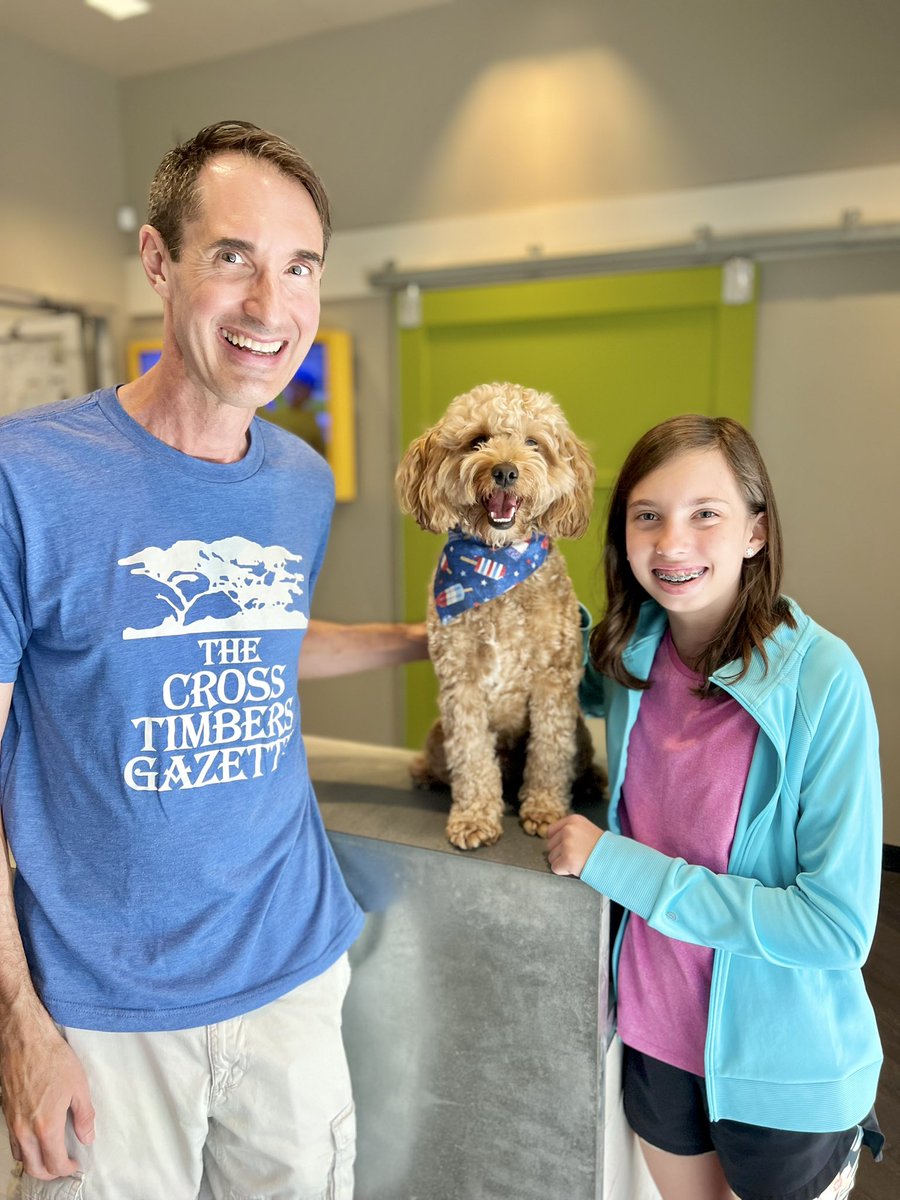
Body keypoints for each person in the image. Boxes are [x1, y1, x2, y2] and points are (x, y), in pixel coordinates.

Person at [0, 120, 426, 1198]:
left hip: (289, 971)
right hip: (102, 1011)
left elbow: (252, 640)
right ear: (158, 261)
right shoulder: (27, 477)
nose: (268, 307)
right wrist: (18, 1021)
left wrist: (421, 642)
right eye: (232, 255)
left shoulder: (291, 475)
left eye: (299, 268)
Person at [547, 415, 883, 1200]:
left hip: (786, 1067)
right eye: (647, 515)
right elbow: (550, 676)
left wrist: (612, 862)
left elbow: (834, 927)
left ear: (756, 531)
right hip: (656, 1040)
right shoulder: (630, 651)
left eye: (706, 513)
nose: (672, 543)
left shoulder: (822, 680)